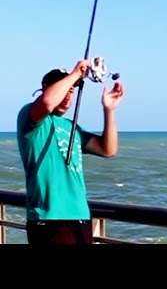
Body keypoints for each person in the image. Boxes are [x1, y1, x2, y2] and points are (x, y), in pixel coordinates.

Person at [16, 59, 125, 245]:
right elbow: (48, 102)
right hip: (48, 218)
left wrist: (109, 110)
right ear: (45, 87)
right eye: (64, 89)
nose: (68, 96)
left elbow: (108, 149)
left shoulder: (71, 127)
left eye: (72, 91)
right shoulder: (30, 116)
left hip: (80, 216)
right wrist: (76, 74)